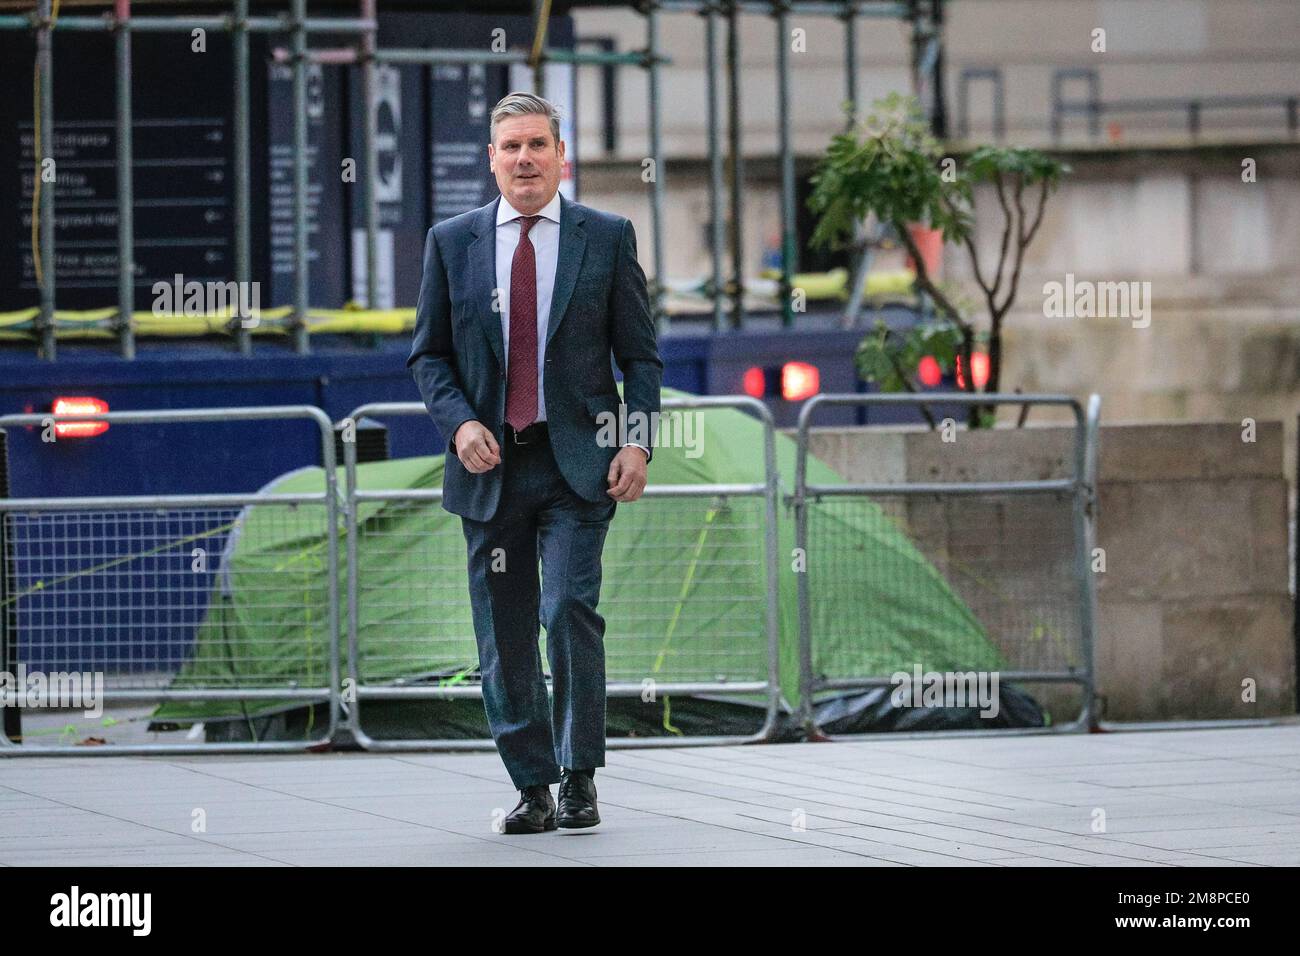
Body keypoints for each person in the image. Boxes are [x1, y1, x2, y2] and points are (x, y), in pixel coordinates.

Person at [407, 91, 663, 833]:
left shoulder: (607, 237)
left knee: (567, 610)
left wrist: (637, 441)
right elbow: (429, 355)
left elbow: (640, 357)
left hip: (576, 469)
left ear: (561, 157)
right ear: (491, 160)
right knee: (504, 633)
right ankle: (533, 786)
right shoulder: (451, 242)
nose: (524, 159)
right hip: (490, 475)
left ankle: (581, 775)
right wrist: (458, 427)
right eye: (510, 147)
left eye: (537, 146)